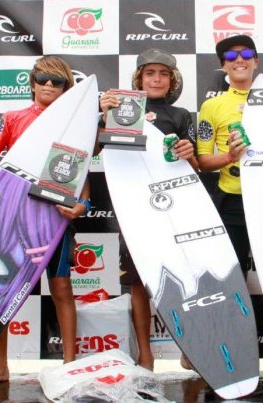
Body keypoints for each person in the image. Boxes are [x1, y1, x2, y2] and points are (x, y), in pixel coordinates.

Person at [0, 55, 89, 386]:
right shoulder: (12, 117)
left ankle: (69, 367)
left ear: (66, 89)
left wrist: (82, 204)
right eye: (42, 78)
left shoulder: (77, 124)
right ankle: (0, 366)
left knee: (61, 289)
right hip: (12, 219)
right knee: (2, 290)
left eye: (56, 81)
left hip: (54, 220)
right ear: (32, 82)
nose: (48, 85)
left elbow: (82, 171)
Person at [196, 34, 263, 379]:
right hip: (233, 201)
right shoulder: (212, 106)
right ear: (223, 65)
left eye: (246, 54)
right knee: (232, 283)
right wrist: (229, 156)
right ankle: (234, 358)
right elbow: (202, 160)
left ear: (256, 61)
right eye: (230, 56)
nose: (239, 60)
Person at [99, 48, 196, 370]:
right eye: (150, 73)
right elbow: (96, 148)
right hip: (133, 207)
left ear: (172, 81)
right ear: (139, 78)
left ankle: (189, 348)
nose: (156, 78)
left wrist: (187, 151)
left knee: (181, 279)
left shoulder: (182, 115)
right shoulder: (120, 107)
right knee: (139, 285)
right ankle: (145, 355)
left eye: (164, 73)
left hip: (173, 208)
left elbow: (193, 164)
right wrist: (101, 116)